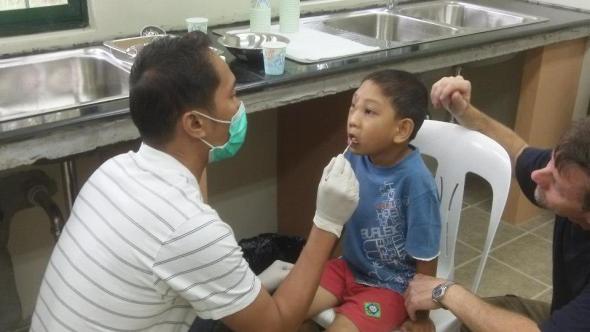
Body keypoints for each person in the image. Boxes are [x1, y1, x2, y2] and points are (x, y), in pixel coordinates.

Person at [30, 32, 360, 332]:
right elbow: (273, 325)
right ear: (196, 124)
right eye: (232, 95)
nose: (239, 106)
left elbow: (187, 222)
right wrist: (327, 223)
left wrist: (203, 154)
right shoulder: (189, 229)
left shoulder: (112, 173)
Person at [404, 75, 590, 332]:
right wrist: (465, 111)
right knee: (470, 320)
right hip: (565, 312)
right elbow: (517, 151)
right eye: (550, 162)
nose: (538, 176)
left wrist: (446, 291)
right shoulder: (571, 168)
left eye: (556, 183)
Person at [306, 70, 442, 332]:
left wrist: (421, 317)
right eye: (353, 106)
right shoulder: (354, 159)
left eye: (369, 112)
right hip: (348, 268)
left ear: (401, 129)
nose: (353, 120)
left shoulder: (417, 183)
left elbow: (427, 256)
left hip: (391, 287)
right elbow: (338, 222)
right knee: (289, 305)